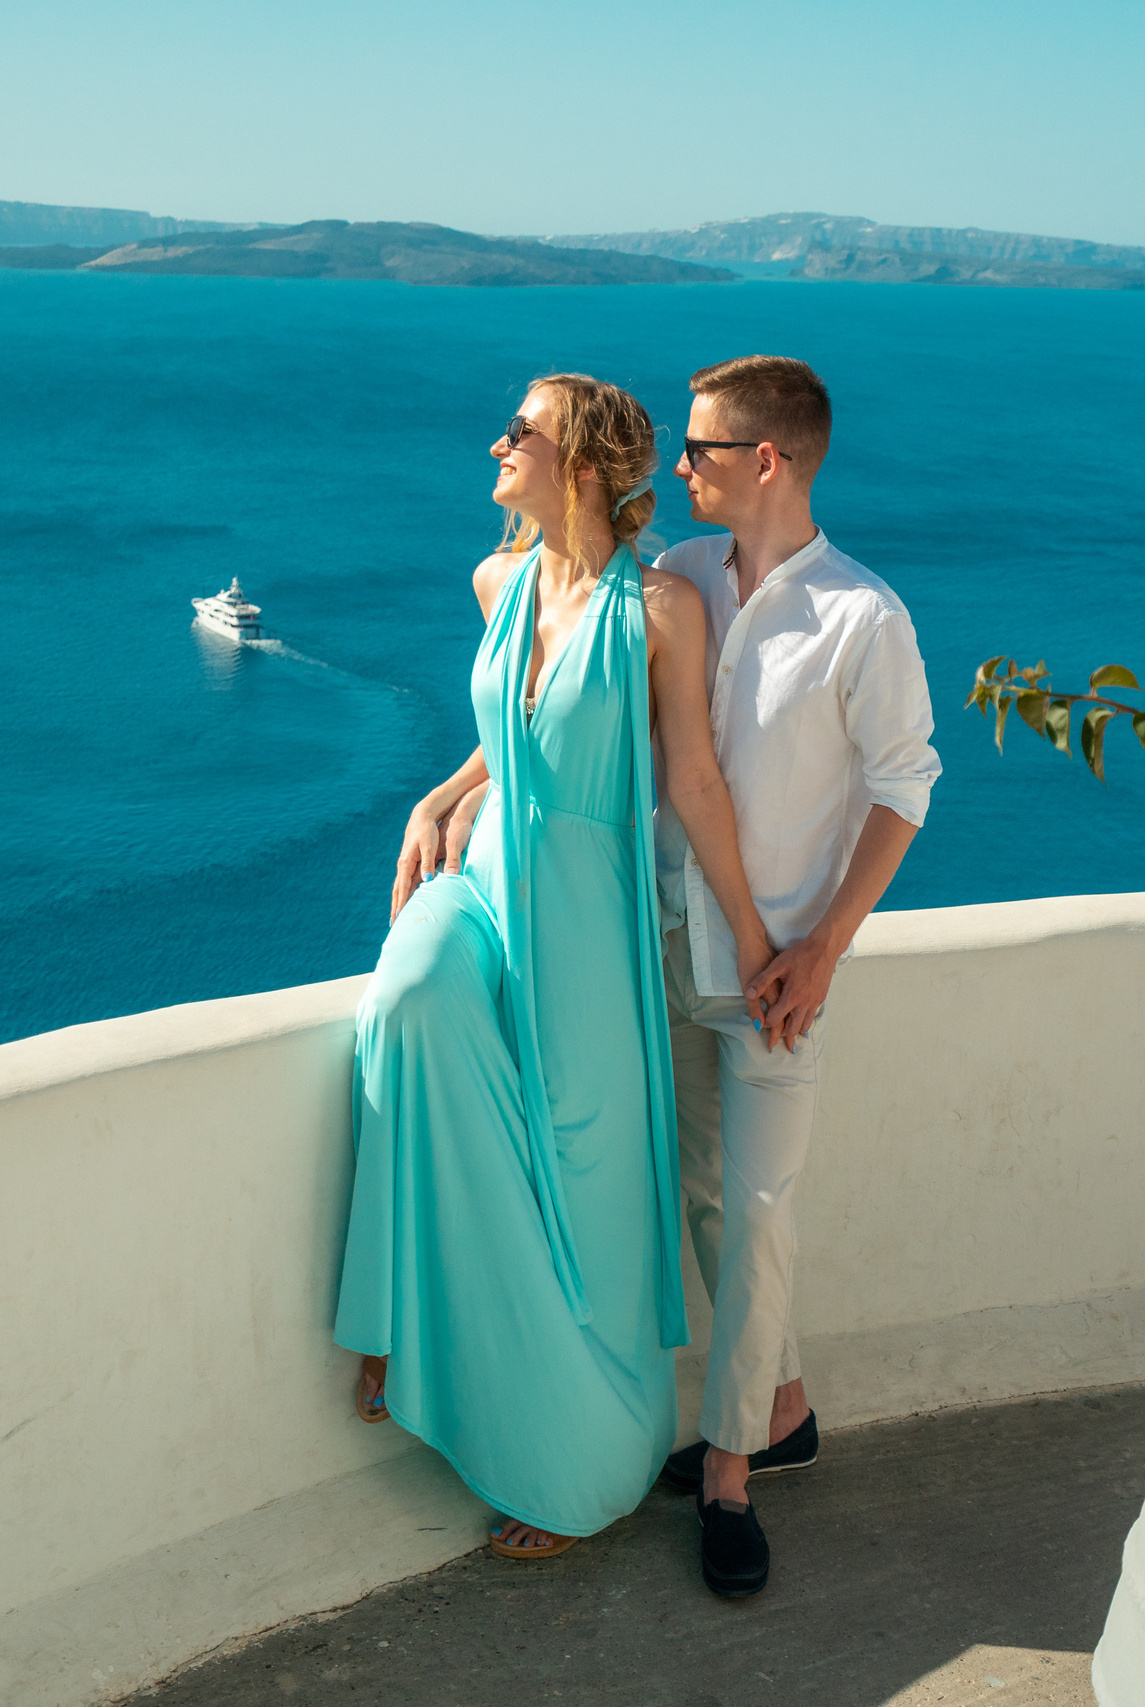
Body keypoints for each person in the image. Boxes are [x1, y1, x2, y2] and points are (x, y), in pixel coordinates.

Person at [333, 374, 776, 1560]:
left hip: (586, 923)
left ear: (579, 465)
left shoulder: (662, 611)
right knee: (406, 1002)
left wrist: (752, 932)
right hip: (483, 887)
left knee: (588, 1203)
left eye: (519, 432)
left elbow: (692, 780)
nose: (497, 444)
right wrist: (438, 795)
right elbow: (507, 739)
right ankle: (390, 1318)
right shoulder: (498, 580)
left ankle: (584, 1461)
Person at [651, 355, 940, 1598]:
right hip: (668, 943)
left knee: (760, 1208)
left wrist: (826, 944)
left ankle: (729, 1474)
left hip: (775, 974)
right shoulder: (677, 573)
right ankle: (784, 1409)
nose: (679, 466)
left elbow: (904, 786)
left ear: (765, 459)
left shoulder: (861, 617)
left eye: (700, 449)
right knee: (709, 1202)